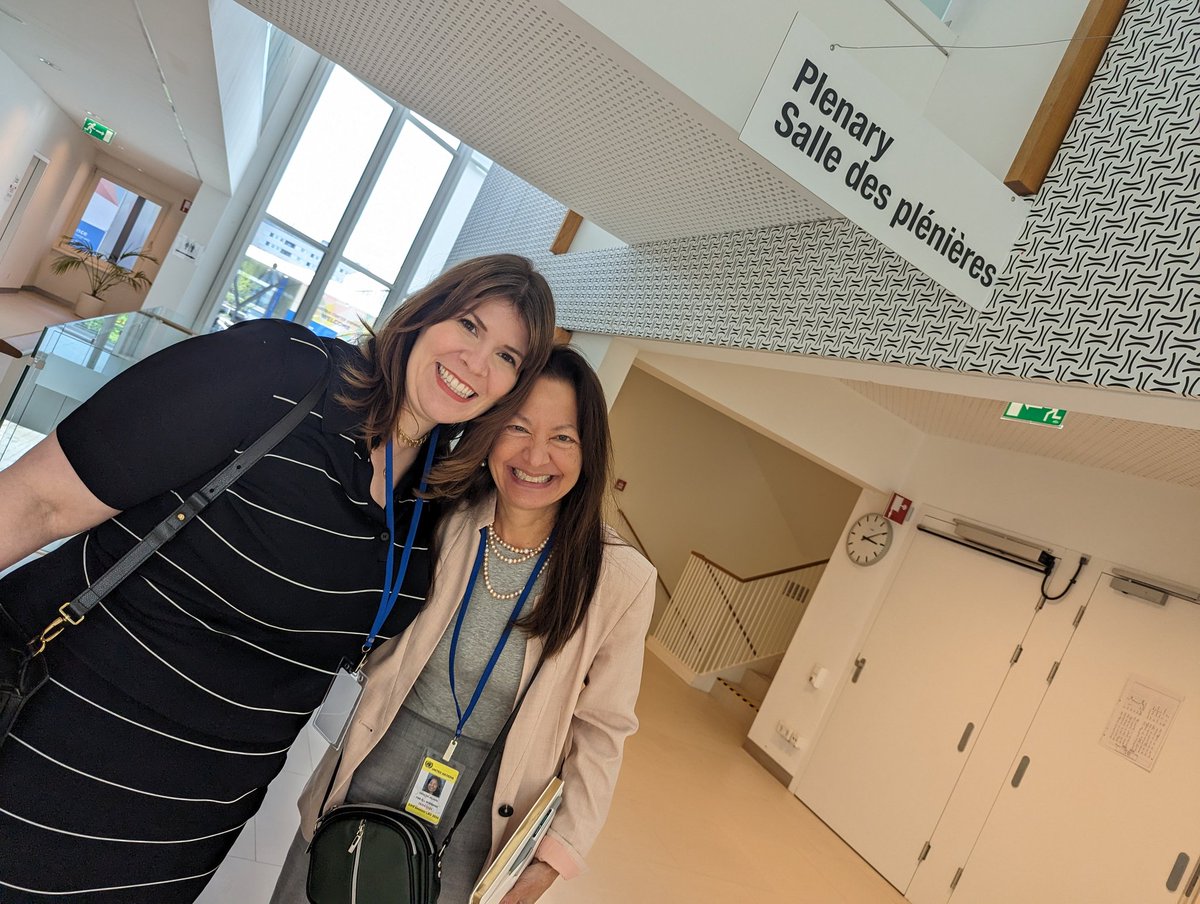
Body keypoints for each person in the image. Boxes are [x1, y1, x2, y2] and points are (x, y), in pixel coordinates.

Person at [0, 254, 555, 903]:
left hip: (188, 828)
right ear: (426, 312)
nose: (476, 362)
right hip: (51, 748)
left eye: (509, 358)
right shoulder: (283, 372)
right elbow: (39, 500)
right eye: (469, 324)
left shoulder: (432, 510)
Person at [269, 346, 656, 904]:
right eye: (517, 427)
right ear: (489, 432)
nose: (536, 455)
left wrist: (558, 853)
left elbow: (603, 730)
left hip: (488, 807)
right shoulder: (438, 513)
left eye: (563, 437)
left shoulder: (620, 579)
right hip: (372, 761)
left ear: (589, 451)